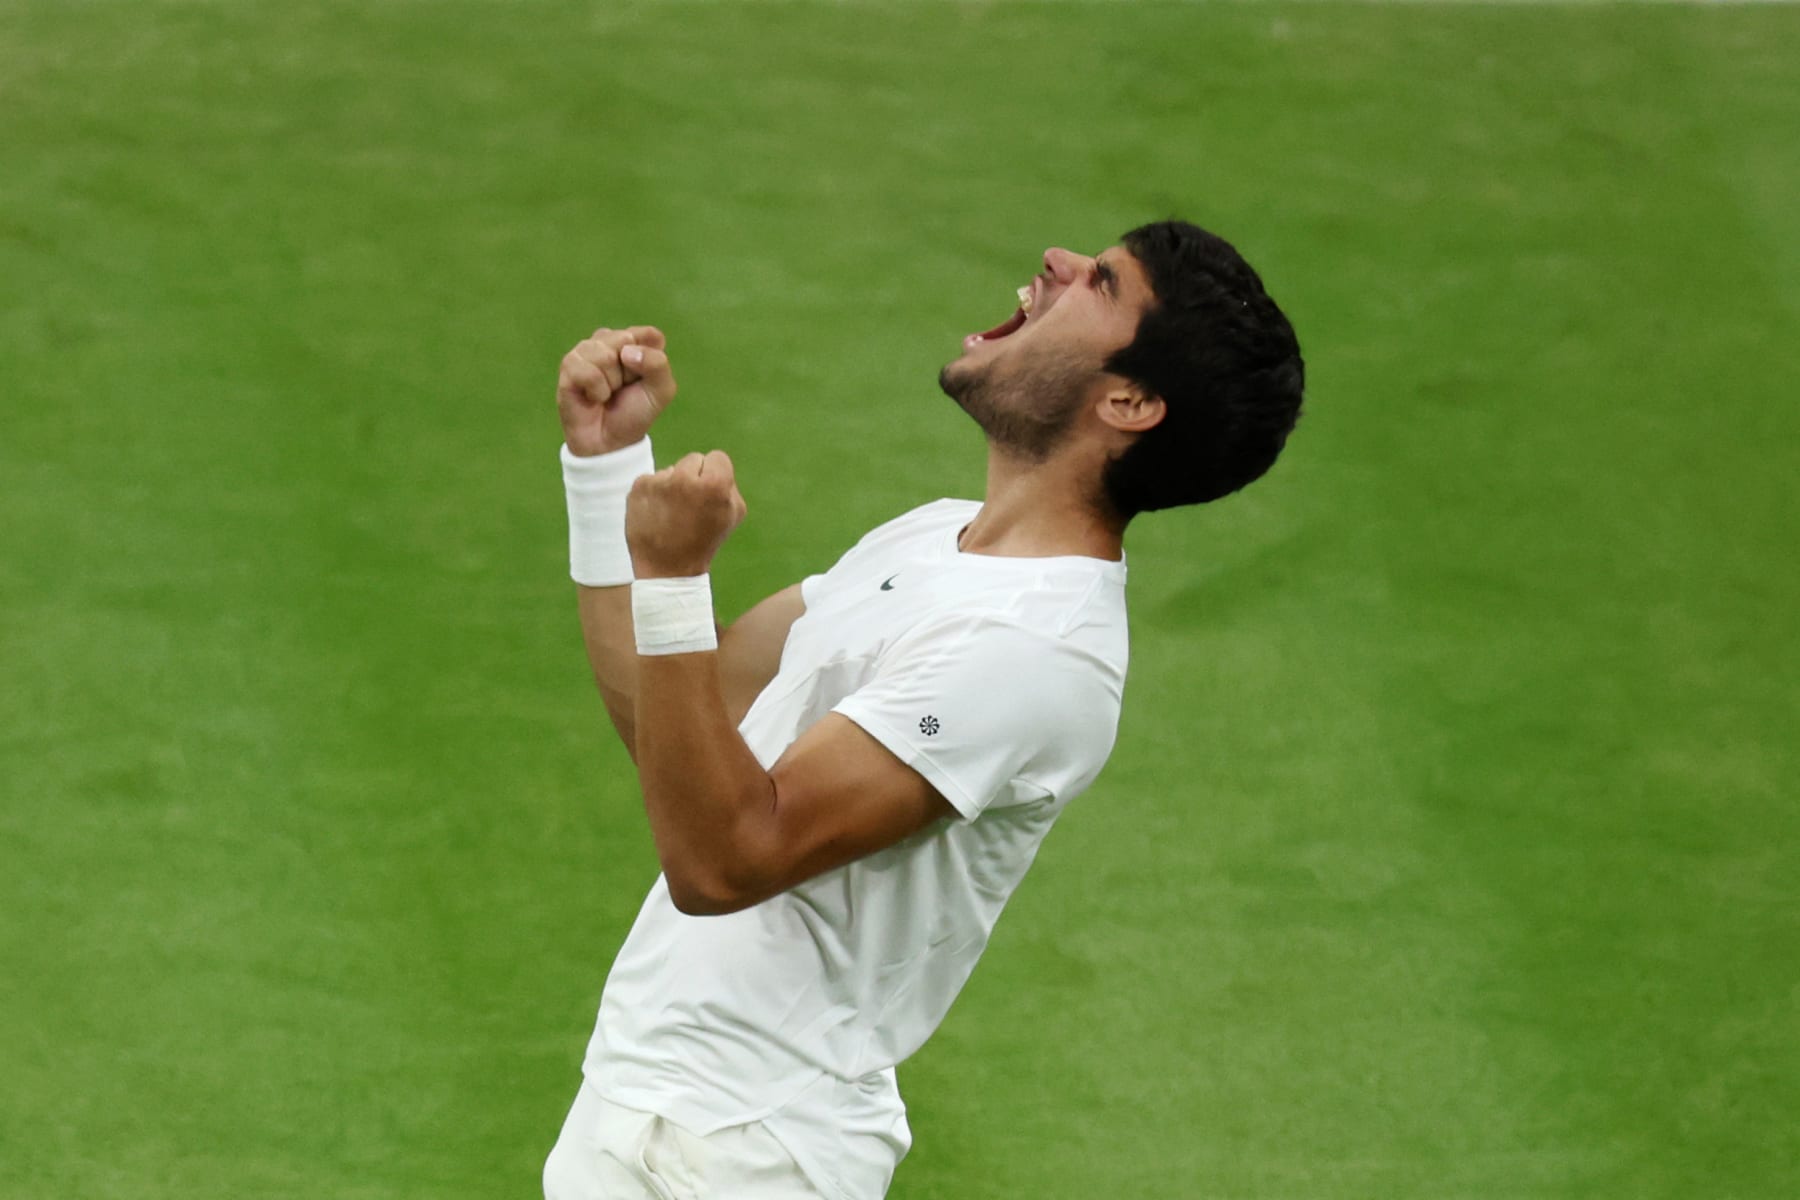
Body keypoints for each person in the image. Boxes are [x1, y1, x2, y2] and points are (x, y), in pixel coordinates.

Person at [543, 219, 1304, 1200]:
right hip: (655, 1115)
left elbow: (724, 859)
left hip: (738, 1153)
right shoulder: (936, 539)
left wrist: (675, 577)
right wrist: (606, 471)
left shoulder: (1033, 652)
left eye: (1102, 284)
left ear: (1128, 401)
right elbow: (675, 735)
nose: (1058, 262)